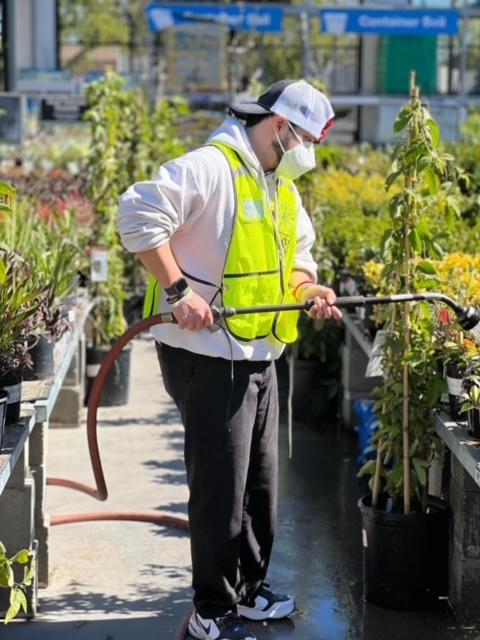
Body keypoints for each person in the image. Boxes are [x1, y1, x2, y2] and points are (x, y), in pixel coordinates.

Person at [117, 79, 342, 640]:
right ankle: (209, 610)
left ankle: (247, 592)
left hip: (258, 351)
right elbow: (137, 214)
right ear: (279, 126)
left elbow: (298, 256)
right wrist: (178, 293)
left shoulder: (278, 186)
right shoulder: (211, 167)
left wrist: (309, 291)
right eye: (305, 138)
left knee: (259, 485)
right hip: (207, 356)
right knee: (221, 485)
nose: (308, 152)